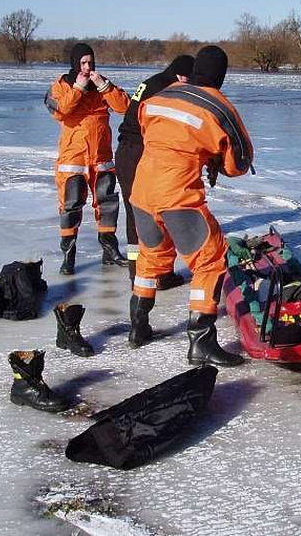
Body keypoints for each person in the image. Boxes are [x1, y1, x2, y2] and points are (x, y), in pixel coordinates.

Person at [126, 45, 254, 363]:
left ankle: (138, 327)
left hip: (141, 189)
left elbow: (146, 125)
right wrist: (213, 158)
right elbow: (239, 163)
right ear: (221, 75)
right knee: (210, 260)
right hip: (177, 194)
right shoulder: (219, 107)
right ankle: (201, 342)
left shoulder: (162, 95)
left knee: (150, 257)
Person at [45, 43, 131, 275]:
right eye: (83, 63)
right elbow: (58, 111)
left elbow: (125, 107)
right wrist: (78, 88)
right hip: (73, 158)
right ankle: (69, 254)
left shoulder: (102, 85)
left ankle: (109, 250)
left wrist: (104, 86)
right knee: (71, 206)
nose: (87, 67)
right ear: (75, 64)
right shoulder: (61, 85)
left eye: (90, 63)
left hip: (101, 158)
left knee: (107, 204)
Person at [115, 55, 195, 288]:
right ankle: (154, 275)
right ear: (182, 75)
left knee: (136, 215)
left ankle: (140, 275)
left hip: (126, 153)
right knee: (155, 214)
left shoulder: (154, 82)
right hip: (140, 153)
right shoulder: (167, 90)